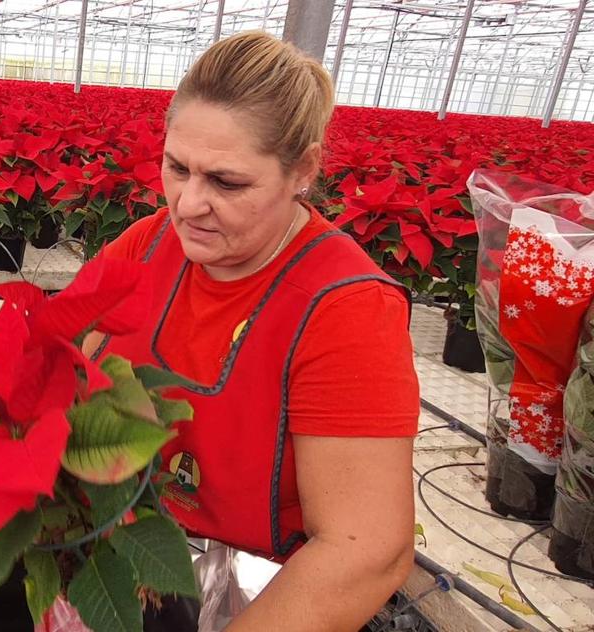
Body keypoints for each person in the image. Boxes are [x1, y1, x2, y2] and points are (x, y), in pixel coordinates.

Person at [86, 31, 419, 631]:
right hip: (122, 558)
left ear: (303, 171)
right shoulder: (148, 243)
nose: (187, 204)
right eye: (176, 167)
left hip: (257, 595)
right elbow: (57, 357)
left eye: (226, 182)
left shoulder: (343, 307)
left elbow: (365, 549)